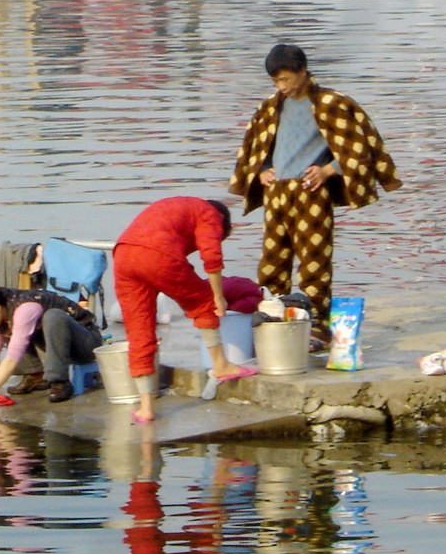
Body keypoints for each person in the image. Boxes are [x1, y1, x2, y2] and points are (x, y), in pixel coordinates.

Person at [228, 43, 402, 348]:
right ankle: (273, 319)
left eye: (285, 80)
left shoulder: (331, 103)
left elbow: (359, 146)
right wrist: (262, 170)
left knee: (314, 263)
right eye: (276, 82)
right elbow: (257, 145)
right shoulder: (271, 106)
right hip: (278, 193)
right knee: (272, 262)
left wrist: (329, 170)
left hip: (311, 194)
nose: (281, 87)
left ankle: (317, 325)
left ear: (302, 72)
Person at [112, 197, 255, 423]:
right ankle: (221, 365)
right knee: (203, 302)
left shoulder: (178, 207)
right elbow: (211, 256)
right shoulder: (210, 214)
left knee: (138, 330)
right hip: (156, 254)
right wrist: (218, 297)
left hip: (123, 255)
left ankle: (146, 408)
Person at [0, 283, 104, 407]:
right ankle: (35, 375)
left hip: (87, 343)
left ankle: (60, 382)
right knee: (17, 332)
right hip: (61, 345)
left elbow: (11, 358)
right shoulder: (2, 312)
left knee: (52, 317)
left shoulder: (25, 309)